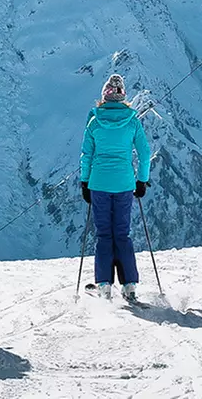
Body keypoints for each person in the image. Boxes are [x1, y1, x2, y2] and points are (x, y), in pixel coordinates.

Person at [79, 73, 151, 302]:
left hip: (99, 183)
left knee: (104, 235)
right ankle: (129, 285)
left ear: (104, 97)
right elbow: (145, 153)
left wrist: (85, 182)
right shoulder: (132, 121)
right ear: (123, 97)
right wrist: (141, 180)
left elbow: (86, 155)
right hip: (124, 184)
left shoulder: (94, 122)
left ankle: (104, 286)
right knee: (122, 233)